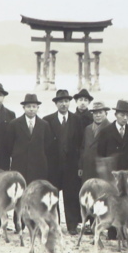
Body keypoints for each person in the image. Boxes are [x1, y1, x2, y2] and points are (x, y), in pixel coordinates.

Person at [43, 89, 82, 233]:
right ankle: (54, 224)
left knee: (71, 196)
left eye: (66, 101)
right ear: (56, 104)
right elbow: (45, 145)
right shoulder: (47, 120)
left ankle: (72, 226)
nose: (64, 104)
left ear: (69, 102)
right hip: (53, 166)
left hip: (71, 166)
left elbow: (80, 144)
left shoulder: (76, 120)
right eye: (61, 102)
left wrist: (79, 165)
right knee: (53, 196)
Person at [0, 92, 55, 185]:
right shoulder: (14, 124)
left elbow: (48, 146)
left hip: (39, 168)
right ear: (23, 108)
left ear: (38, 108)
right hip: (19, 167)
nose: (31, 109)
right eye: (28, 106)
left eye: (34, 106)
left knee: (37, 193)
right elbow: (9, 146)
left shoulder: (44, 125)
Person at [97, 99, 128, 177]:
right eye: (122, 115)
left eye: (127, 115)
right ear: (115, 114)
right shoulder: (105, 132)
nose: (125, 118)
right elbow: (101, 155)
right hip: (111, 175)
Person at [79, 101, 110, 184]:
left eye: (100, 112)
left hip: (102, 171)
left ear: (106, 113)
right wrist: (81, 167)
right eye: (95, 113)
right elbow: (83, 149)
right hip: (87, 170)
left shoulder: (110, 129)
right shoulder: (87, 129)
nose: (98, 115)